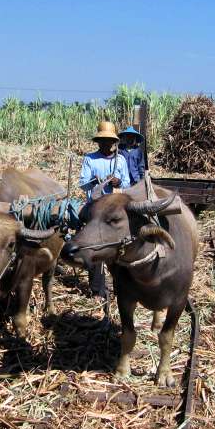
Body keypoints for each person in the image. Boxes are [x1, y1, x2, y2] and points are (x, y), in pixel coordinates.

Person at [78, 121, 130, 300]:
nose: (106, 144)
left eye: (109, 140)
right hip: (95, 210)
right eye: (103, 140)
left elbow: (127, 184)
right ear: (98, 142)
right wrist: (95, 180)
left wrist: (118, 182)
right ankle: (96, 289)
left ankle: (119, 286)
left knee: (117, 249)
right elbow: (82, 184)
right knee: (95, 247)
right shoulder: (90, 159)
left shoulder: (121, 160)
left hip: (114, 211)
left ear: (114, 142)